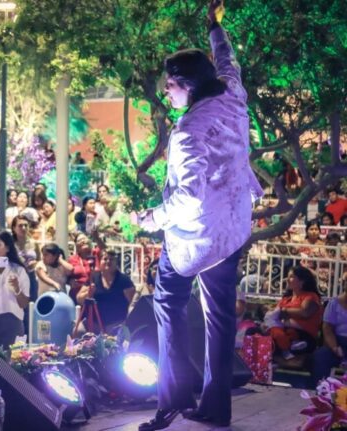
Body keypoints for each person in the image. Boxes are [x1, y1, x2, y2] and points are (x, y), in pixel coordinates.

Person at [136, 2, 265, 429]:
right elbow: (228, 60)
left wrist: (151, 219)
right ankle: (215, 407)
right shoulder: (231, 91)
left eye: (170, 86)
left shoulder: (189, 132)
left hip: (198, 235)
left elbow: (188, 198)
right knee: (220, 319)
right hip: (233, 227)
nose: (167, 93)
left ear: (187, 86)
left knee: (167, 302)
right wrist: (215, 27)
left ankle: (172, 399)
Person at [268, 266, 322, 360]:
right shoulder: (286, 299)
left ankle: (288, 349)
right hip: (283, 332)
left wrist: (284, 311)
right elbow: (276, 315)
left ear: (302, 281)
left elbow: (305, 312)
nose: (287, 279)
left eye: (291, 277)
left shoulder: (311, 296)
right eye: (288, 276)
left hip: (304, 336)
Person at [76, 250, 135, 330]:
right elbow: (79, 299)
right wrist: (88, 293)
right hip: (94, 323)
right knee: (78, 330)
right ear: (100, 262)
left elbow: (133, 304)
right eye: (105, 259)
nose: (108, 261)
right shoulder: (93, 278)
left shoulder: (124, 280)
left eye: (111, 259)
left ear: (116, 262)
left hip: (117, 324)